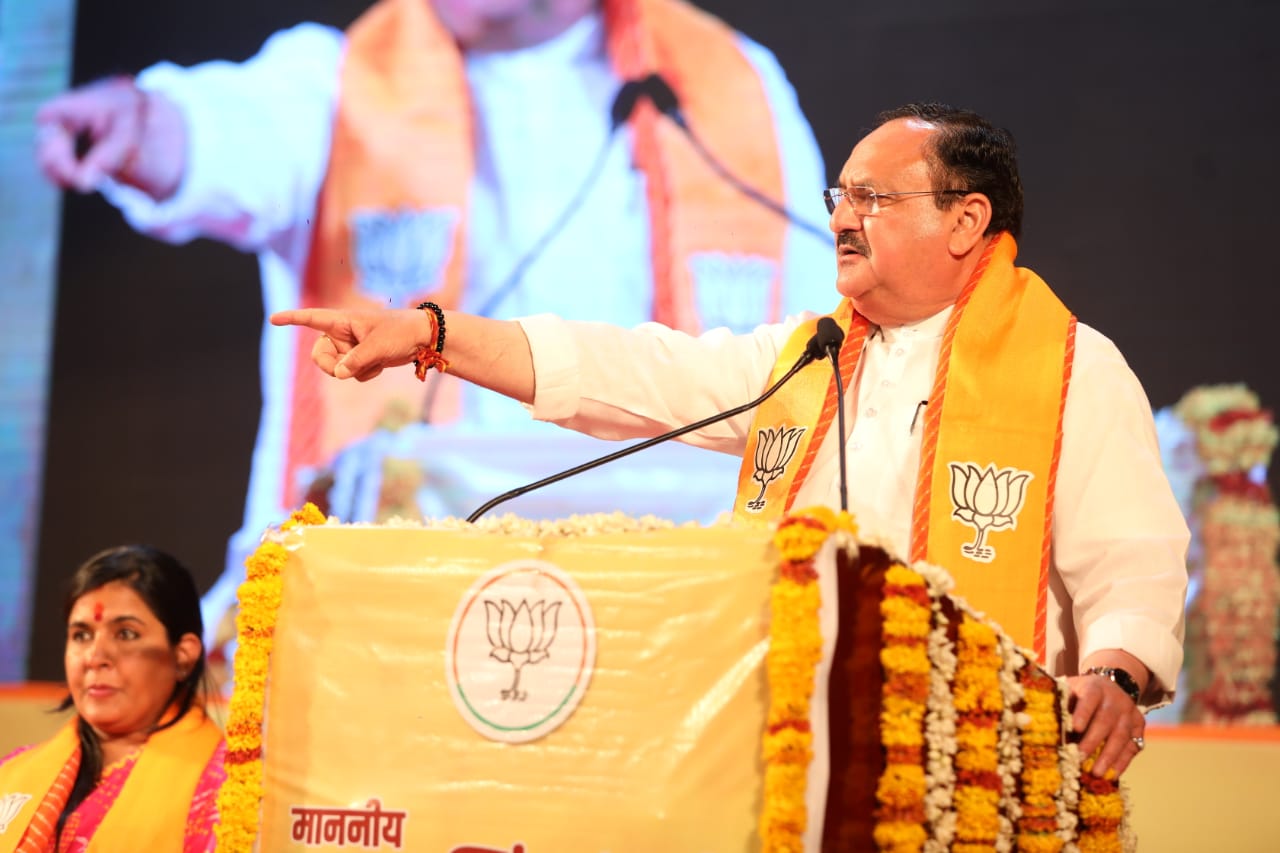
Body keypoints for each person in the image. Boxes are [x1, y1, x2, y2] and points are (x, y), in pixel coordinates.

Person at [271, 102, 1189, 779]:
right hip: (792, 761)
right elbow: (622, 369)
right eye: (840, 192)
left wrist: (1111, 673)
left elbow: (1132, 561)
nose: (841, 215)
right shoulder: (807, 361)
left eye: (873, 196)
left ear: (966, 219)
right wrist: (435, 333)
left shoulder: (1072, 368)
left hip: (981, 775)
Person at [34, 0, 834, 639]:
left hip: (654, 601)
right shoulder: (339, 79)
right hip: (375, 595)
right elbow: (224, 134)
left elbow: (797, 356)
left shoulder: (727, 86)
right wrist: (141, 125)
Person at [0, 545, 225, 851]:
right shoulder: (11, 774)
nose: (95, 657)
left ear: (183, 655)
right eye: (81, 635)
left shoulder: (226, 790)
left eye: (126, 634)